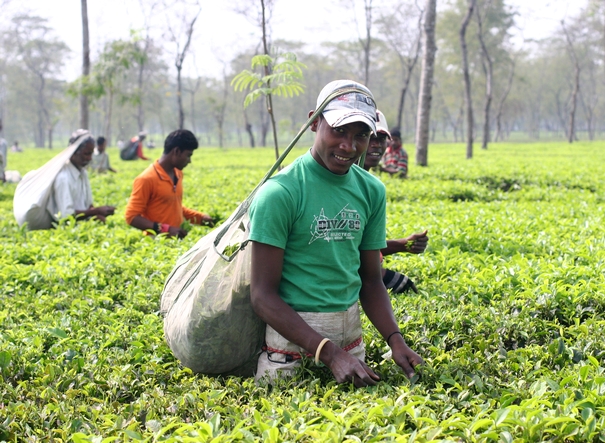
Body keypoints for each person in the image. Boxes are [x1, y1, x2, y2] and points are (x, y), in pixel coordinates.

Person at [249, 80, 423, 387]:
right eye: (339, 130)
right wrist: (328, 353)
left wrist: (395, 339)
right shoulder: (280, 193)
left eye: (361, 135)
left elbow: (370, 279)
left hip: (351, 348)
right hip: (289, 353)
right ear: (315, 122)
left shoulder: (371, 190)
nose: (349, 146)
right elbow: (263, 296)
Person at [363, 110, 428, 294]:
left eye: (381, 139)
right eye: (369, 138)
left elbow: (363, 245)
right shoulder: (342, 182)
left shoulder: (372, 186)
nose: (375, 145)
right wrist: (382, 276)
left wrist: (403, 244)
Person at [125, 129, 212, 239]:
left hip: (177, 240)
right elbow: (131, 217)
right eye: (188, 155)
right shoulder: (146, 179)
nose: (189, 161)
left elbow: (172, 206)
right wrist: (166, 229)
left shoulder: (178, 173)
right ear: (176, 151)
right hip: (156, 243)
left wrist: (200, 218)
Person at [46, 130, 116, 223]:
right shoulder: (64, 178)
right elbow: (66, 216)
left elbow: (88, 205)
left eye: (91, 154)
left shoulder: (83, 172)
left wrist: (97, 214)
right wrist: (96, 211)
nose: (90, 158)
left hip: (81, 225)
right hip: (68, 231)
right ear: (73, 153)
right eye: (86, 154)